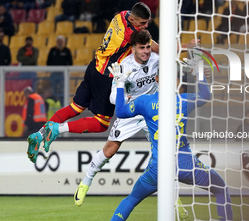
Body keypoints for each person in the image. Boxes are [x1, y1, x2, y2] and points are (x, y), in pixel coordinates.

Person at [74, 29, 188, 218]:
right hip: (132, 110)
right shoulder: (123, 67)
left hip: (152, 109)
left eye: (147, 47)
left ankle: (176, 200)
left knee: (165, 155)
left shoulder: (156, 59)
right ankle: (86, 180)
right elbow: (112, 97)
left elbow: (171, 54)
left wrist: (186, 48)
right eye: (141, 48)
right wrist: (122, 93)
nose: (146, 51)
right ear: (133, 48)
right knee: (110, 150)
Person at [26, 2, 158, 163]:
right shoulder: (131, 34)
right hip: (106, 76)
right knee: (102, 123)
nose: (146, 26)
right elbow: (156, 48)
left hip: (94, 66)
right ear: (134, 18)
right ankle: (56, 129)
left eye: (147, 23)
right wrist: (185, 47)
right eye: (143, 23)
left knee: (75, 108)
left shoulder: (122, 15)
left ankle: (39, 135)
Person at [108, 55, 233, 221]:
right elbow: (205, 96)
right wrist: (199, 72)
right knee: (220, 188)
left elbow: (121, 112)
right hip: (185, 164)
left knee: (132, 199)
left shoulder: (145, 102)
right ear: (176, 80)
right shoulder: (183, 100)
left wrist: (120, 83)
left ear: (157, 79)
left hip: (157, 167)